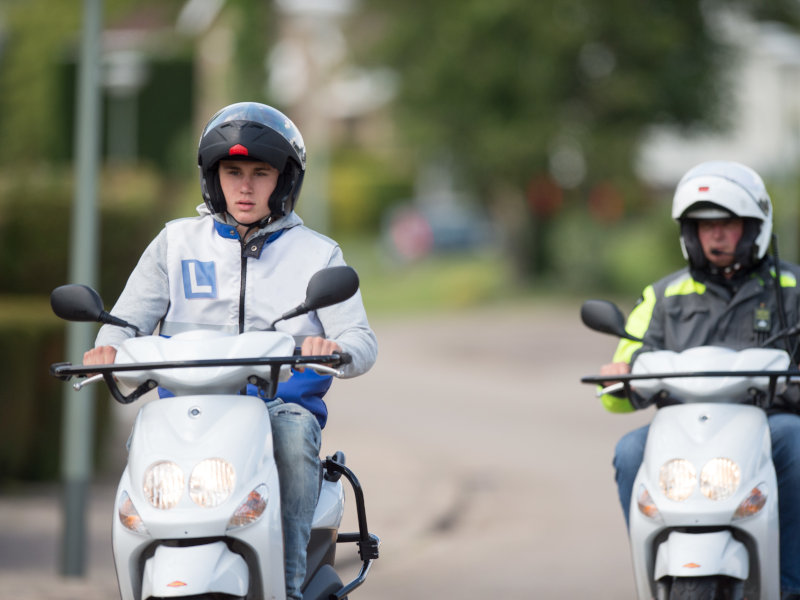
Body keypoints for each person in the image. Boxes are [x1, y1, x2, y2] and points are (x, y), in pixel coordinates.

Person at [83, 101, 378, 599]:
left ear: (284, 181)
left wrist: (334, 348)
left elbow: (361, 343)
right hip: (189, 413)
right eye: (232, 171)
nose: (245, 186)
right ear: (212, 177)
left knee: (293, 434)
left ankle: (284, 587)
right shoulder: (175, 244)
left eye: (260, 173)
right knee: (143, 447)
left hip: (277, 409)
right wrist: (107, 350)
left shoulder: (317, 253)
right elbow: (124, 322)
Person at [599, 160, 800, 599]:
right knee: (630, 450)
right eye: (703, 225)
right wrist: (619, 374)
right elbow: (621, 379)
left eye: (728, 224)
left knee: (794, 437)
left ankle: (790, 582)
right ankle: (653, 572)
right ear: (689, 233)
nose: (716, 235)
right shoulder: (662, 296)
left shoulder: (792, 287)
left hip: (768, 425)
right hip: (684, 435)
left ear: (754, 228)